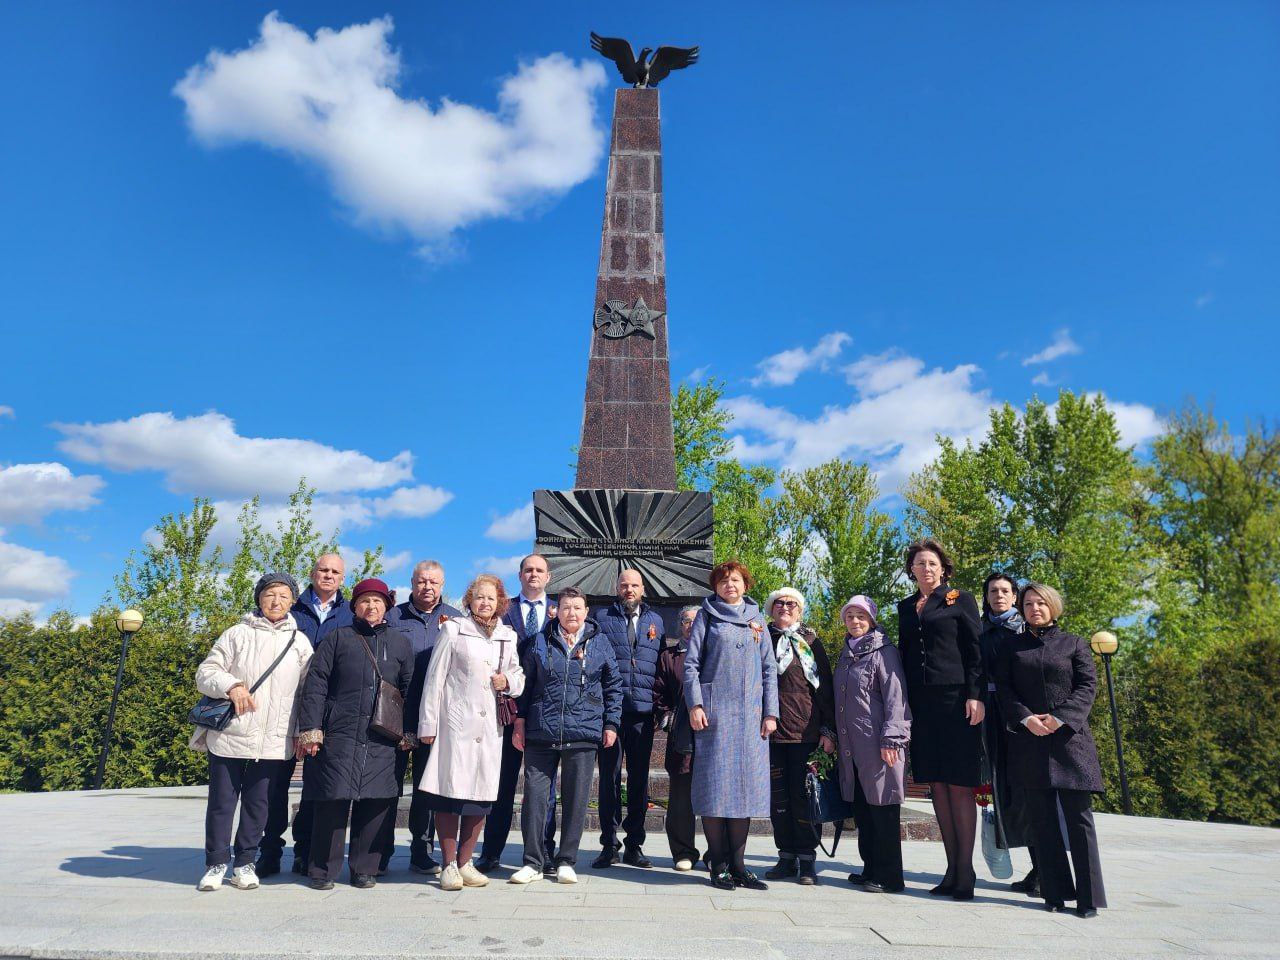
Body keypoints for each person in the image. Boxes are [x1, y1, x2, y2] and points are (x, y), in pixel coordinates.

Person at [994, 582, 1107, 918]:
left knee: (1079, 822)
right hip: (1030, 743)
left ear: (1053, 606)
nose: (1034, 609)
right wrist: (1026, 719)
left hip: (1070, 743)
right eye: (1028, 604)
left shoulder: (1074, 644)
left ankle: (1088, 899)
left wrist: (1060, 718)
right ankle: (1054, 893)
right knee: (1042, 822)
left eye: (1041, 603)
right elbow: (1005, 689)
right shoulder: (1011, 647)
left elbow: (1087, 686)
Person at [193, 573, 312, 891]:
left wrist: (302, 732)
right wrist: (231, 685)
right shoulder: (237, 634)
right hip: (232, 734)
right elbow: (206, 673)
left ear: (293, 602)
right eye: (270, 594)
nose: (277, 601)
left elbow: (306, 692)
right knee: (221, 802)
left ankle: (245, 863)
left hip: (273, 738)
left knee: (259, 805)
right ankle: (216, 862)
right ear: (259, 598)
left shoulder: (300, 641)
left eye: (284, 596)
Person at [295, 579, 413, 890]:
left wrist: (408, 733)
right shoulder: (338, 638)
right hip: (340, 733)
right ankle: (321, 870)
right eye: (364, 601)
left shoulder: (400, 643)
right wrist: (311, 729)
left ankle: (365, 868)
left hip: (382, 737)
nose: (371, 607)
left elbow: (409, 690)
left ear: (387, 606)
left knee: (375, 804)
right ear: (355, 607)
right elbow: (316, 684)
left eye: (377, 601)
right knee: (332, 802)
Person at [417, 574, 526, 892]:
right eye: (479, 597)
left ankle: (466, 862)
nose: (485, 603)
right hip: (456, 725)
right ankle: (448, 864)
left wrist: (508, 681)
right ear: (469, 600)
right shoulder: (453, 629)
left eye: (491, 598)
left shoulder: (508, 635)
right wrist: (428, 725)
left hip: (489, 727)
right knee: (450, 794)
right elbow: (435, 679)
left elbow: (518, 675)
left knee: (480, 796)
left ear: (500, 602)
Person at [509, 587, 622, 884]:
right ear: (556, 611)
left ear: (586, 612)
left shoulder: (601, 644)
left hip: (583, 732)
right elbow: (525, 687)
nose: (571, 613)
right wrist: (520, 723)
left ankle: (566, 860)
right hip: (541, 732)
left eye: (577, 608)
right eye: (566, 607)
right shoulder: (537, 643)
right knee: (534, 798)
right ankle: (533, 861)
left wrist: (611, 724)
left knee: (576, 799)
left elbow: (614, 687)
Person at [896, 538, 985, 900]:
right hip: (921, 704)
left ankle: (966, 872)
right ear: (912, 570)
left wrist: (975, 695)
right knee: (937, 787)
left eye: (932, 563)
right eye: (920, 564)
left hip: (956, 700)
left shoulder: (959, 599)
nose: (927, 569)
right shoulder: (905, 607)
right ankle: (951, 868)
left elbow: (975, 650)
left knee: (960, 785)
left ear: (943, 568)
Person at [684, 560, 779, 891]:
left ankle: (739, 865)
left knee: (745, 790)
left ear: (746, 585)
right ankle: (719, 864)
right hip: (715, 716)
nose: (730, 586)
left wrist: (771, 713)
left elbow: (769, 668)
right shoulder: (707, 616)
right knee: (716, 788)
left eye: (735, 580)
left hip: (752, 718)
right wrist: (695, 704)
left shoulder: (758, 621)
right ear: (715, 586)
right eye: (723, 581)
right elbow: (692, 663)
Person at [258, 553, 353, 877]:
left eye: (335, 572)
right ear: (312, 573)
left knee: (316, 787)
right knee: (275, 786)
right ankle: (269, 851)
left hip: (327, 712)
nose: (328, 575)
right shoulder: (292, 608)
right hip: (283, 705)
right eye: (323, 570)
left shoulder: (350, 612)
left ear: (342, 578)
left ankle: (305, 851)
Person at [378, 560, 463, 876]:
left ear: (442, 585)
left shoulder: (455, 619)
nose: (427, 587)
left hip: (436, 716)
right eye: (422, 581)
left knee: (427, 787)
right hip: (395, 713)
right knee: (388, 785)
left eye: (434, 583)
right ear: (412, 583)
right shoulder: (393, 616)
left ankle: (421, 851)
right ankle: (381, 850)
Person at [476, 554, 558, 874]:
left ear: (548, 577)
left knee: (544, 790)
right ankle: (492, 851)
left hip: (544, 710)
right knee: (502, 785)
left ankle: (543, 852)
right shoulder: (503, 608)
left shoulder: (560, 611)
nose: (533, 575)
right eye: (528, 570)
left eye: (539, 570)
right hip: (506, 708)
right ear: (519, 575)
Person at [832, 595, 911, 894]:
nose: (854, 621)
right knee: (864, 809)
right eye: (850, 616)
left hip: (880, 746)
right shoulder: (847, 653)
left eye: (860, 616)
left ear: (872, 621)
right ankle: (870, 868)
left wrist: (892, 738)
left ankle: (890, 876)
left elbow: (896, 698)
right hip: (853, 747)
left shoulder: (884, 652)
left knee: (884, 809)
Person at [592, 569, 666, 869]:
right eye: (624, 585)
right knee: (608, 779)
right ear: (617, 588)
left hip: (642, 713)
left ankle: (635, 844)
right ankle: (609, 844)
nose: (629, 590)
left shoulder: (656, 621)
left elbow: (661, 665)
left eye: (634, 585)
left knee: (639, 780)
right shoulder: (601, 617)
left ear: (643, 589)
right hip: (610, 712)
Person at [764, 587, 835, 885]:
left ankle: (807, 860)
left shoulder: (811, 642)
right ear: (771, 609)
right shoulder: (762, 638)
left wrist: (828, 731)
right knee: (779, 799)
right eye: (779, 603)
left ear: (800, 609)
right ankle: (786, 856)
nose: (785, 607)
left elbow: (826, 688)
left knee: (805, 797)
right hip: (771, 733)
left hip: (807, 733)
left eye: (791, 603)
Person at [979, 571, 1038, 896]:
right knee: (1006, 794)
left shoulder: (1025, 628)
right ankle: (1036, 866)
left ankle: (1044, 866)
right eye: (992, 591)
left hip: (1021, 716)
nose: (999, 595)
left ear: (1014, 596)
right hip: (991, 717)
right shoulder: (982, 630)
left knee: (1030, 793)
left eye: (1004, 590)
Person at [655, 605, 700, 871]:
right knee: (682, 795)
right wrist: (669, 718)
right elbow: (658, 692)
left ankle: (719, 851)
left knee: (716, 793)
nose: (691, 625)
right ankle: (684, 851)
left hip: (715, 735)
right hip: (682, 735)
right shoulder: (669, 656)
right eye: (686, 620)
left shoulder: (715, 652)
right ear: (679, 625)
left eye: (697, 620)